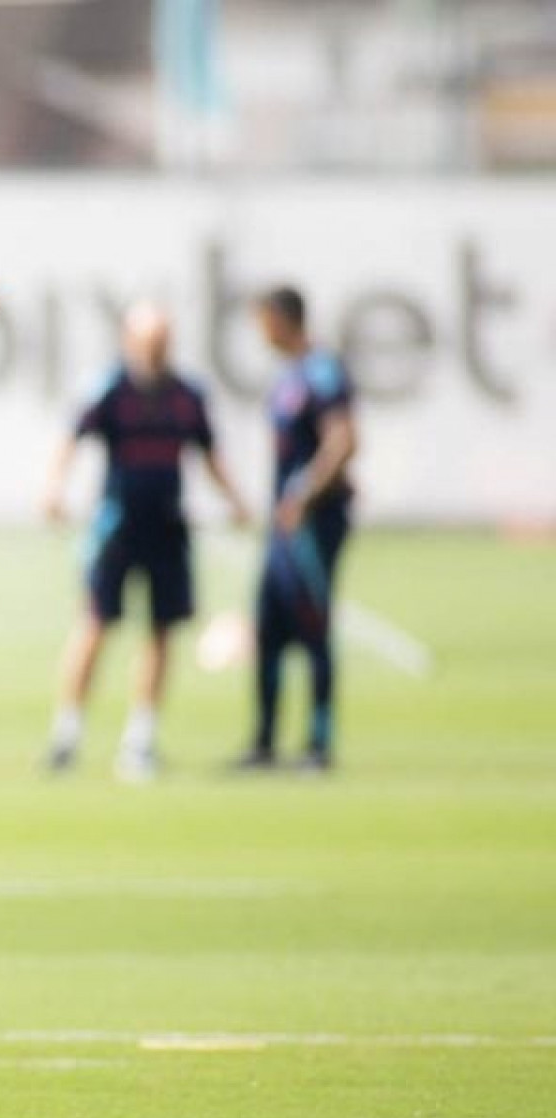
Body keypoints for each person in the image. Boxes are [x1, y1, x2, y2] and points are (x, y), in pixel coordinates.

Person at [41, 302, 249, 780]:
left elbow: (208, 453)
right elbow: (71, 440)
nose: (157, 351)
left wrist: (234, 500)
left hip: (168, 527)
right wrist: (54, 488)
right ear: (130, 341)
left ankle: (140, 740)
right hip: (118, 527)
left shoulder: (186, 395)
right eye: (150, 341)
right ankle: (67, 734)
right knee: (95, 625)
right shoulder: (111, 389)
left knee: (160, 631)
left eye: (164, 342)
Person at [236, 285, 359, 771]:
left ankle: (318, 743)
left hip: (313, 522)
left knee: (313, 626)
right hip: (284, 524)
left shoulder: (321, 371)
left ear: (281, 319)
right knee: (268, 627)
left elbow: (344, 440)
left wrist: (304, 494)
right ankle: (264, 741)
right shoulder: (290, 374)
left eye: (262, 320)